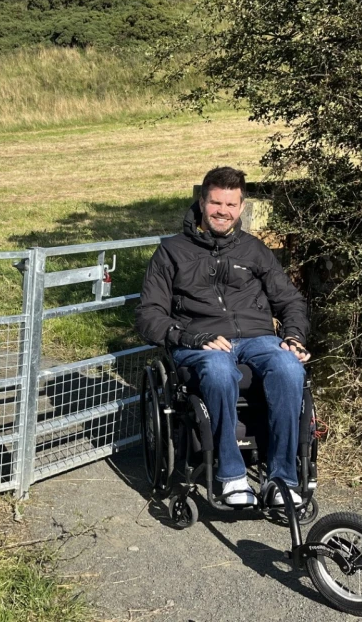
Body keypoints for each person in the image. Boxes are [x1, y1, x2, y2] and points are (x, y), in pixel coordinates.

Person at [135, 166, 311, 507]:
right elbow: (148, 315)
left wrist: (293, 336)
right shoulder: (171, 252)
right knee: (217, 370)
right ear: (202, 202)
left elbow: (289, 300)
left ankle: (282, 478)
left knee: (290, 367)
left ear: (241, 207)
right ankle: (231, 474)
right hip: (199, 341)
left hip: (258, 338)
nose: (223, 211)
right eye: (216, 203)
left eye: (231, 205)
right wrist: (189, 336)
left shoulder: (255, 250)